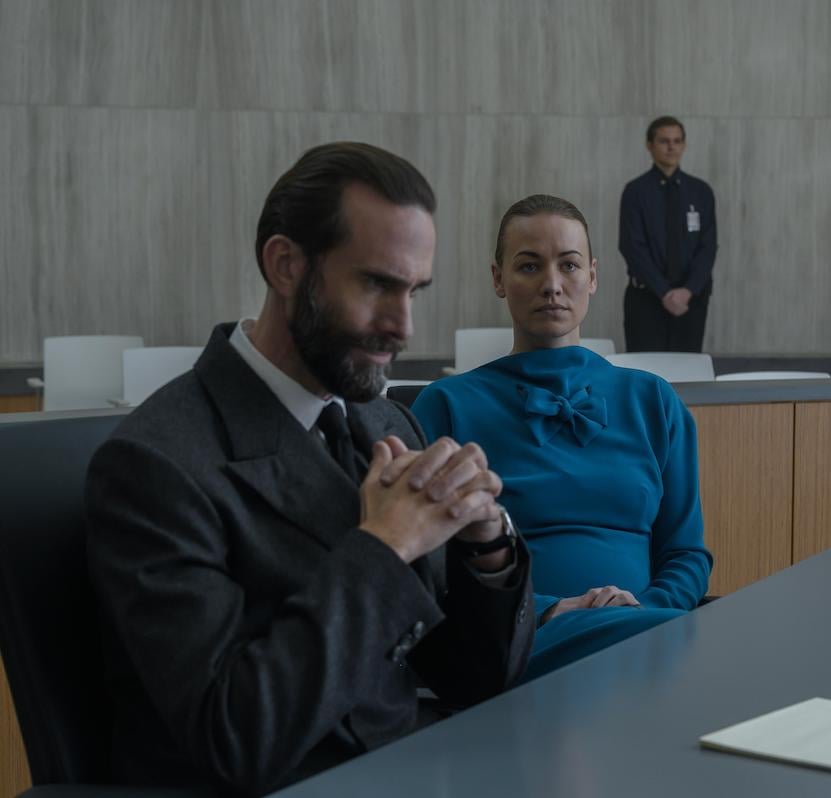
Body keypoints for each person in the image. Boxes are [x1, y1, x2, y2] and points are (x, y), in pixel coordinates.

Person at [85, 142, 534, 796]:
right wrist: (387, 546)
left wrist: (485, 543)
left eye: (414, 290)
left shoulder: (389, 424)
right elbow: (233, 738)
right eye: (377, 283)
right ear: (286, 265)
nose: (402, 327)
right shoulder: (153, 465)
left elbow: (475, 679)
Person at [412, 194, 711, 682]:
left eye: (568, 265)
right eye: (529, 266)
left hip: (644, 632)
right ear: (498, 279)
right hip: (514, 638)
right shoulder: (447, 405)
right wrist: (549, 609)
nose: (552, 285)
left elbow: (685, 553)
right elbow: (431, 564)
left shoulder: (653, 400)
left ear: (592, 276)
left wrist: (642, 608)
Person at [618, 115, 718, 352]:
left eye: (677, 141)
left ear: (683, 145)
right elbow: (632, 247)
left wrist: (687, 291)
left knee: (687, 374)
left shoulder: (701, 192)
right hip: (647, 298)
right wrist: (664, 292)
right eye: (664, 141)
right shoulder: (635, 191)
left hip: (690, 299)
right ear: (649, 145)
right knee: (646, 372)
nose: (671, 147)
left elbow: (708, 247)